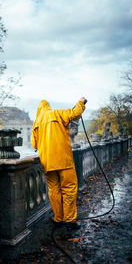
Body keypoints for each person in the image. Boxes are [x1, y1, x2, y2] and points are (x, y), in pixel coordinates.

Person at [31, 97, 87, 230]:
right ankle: (69, 221)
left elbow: (34, 144)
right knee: (69, 189)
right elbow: (74, 114)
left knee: (54, 190)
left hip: (48, 163)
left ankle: (58, 218)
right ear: (48, 107)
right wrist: (81, 102)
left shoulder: (37, 123)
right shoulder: (57, 113)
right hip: (64, 160)